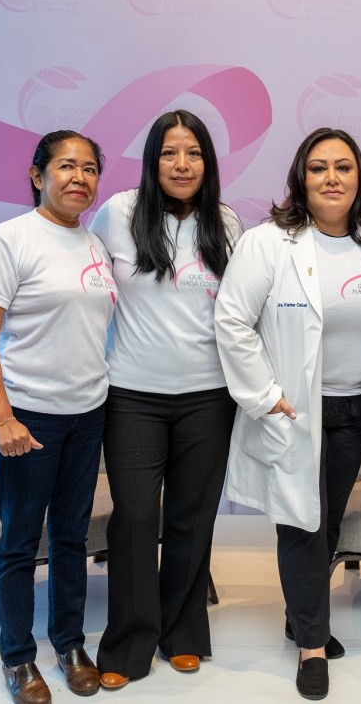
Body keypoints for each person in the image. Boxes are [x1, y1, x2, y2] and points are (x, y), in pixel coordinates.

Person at [214, 128, 361, 700]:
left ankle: (299, 615)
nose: (332, 177)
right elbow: (231, 319)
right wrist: (264, 395)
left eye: (343, 167)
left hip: (355, 409)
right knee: (301, 522)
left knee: (325, 525)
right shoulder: (268, 243)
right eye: (319, 167)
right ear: (301, 179)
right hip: (294, 410)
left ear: (360, 178)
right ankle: (311, 644)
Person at [90, 111, 243, 690]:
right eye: (169, 154)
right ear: (152, 160)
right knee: (133, 518)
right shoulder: (119, 214)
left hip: (209, 396)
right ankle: (128, 643)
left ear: (208, 161)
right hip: (133, 395)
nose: (182, 165)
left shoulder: (226, 221)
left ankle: (183, 633)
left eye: (194, 153)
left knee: (191, 518)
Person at [0, 131, 115, 704]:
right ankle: (18, 657)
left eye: (90, 168)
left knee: (72, 536)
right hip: (29, 416)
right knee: (20, 541)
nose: (80, 178)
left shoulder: (94, 244)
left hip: (88, 413)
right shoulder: (9, 240)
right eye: (66, 166)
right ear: (37, 175)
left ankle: (70, 645)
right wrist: (3, 419)